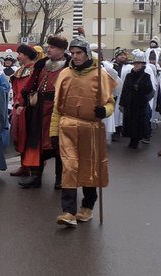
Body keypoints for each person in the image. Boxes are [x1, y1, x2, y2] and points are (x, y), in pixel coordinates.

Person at [50, 36, 115, 227]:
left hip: (90, 128)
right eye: (73, 53)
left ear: (86, 53)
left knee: (89, 168)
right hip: (67, 125)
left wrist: (104, 111)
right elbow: (56, 107)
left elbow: (110, 103)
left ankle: (87, 206)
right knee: (69, 167)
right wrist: (53, 131)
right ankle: (68, 212)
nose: (76, 56)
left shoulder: (100, 74)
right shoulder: (64, 74)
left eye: (79, 53)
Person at [19, 35, 69, 189]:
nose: (48, 49)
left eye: (52, 47)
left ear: (61, 50)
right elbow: (30, 85)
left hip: (60, 109)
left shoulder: (70, 65)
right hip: (39, 109)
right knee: (37, 142)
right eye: (48, 46)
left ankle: (60, 179)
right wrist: (24, 98)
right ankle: (36, 177)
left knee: (59, 144)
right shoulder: (42, 64)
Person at [10, 44, 37, 177]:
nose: (18, 56)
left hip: (31, 109)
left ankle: (34, 167)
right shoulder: (19, 72)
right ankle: (24, 166)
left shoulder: (37, 70)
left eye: (19, 53)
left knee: (31, 138)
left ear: (25, 55)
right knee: (19, 137)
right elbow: (16, 91)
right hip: (18, 109)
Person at [119, 52, 154, 149]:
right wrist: (122, 103)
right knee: (129, 122)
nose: (137, 65)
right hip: (129, 103)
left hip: (140, 103)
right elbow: (124, 89)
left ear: (143, 64)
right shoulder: (129, 75)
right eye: (135, 63)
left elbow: (149, 89)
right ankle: (132, 138)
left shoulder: (146, 76)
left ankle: (136, 140)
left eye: (139, 63)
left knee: (138, 123)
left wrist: (140, 88)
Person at [111, 48, 132, 140]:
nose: (123, 56)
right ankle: (115, 131)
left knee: (122, 112)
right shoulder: (112, 66)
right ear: (116, 56)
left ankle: (123, 130)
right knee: (113, 112)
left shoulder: (129, 67)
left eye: (124, 55)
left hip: (125, 92)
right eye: (120, 55)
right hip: (113, 92)